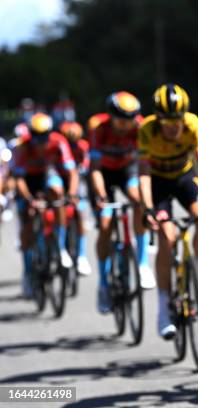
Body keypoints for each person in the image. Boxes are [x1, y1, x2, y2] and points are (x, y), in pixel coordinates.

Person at [139, 83, 198, 339]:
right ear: (158, 118)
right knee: (166, 236)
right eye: (167, 120)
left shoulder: (192, 125)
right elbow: (144, 174)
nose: (172, 126)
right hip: (158, 183)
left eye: (176, 120)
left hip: (183, 177)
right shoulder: (147, 130)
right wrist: (147, 208)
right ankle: (162, 305)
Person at [89, 91, 154, 314]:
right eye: (120, 120)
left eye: (129, 120)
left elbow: (146, 163)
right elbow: (95, 170)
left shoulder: (140, 126)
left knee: (138, 200)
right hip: (103, 174)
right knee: (106, 224)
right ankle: (103, 283)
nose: (125, 125)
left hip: (127, 169)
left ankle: (143, 262)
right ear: (111, 116)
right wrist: (100, 196)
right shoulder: (99, 129)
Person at [12, 112, 78, 297]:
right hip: (27, 181)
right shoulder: (22, 146)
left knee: (58, 193)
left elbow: (72, 171)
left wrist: (71, 194)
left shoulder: (58, 141)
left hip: (47, 175)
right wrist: (29, 200)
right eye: (37, 138)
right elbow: (19, 180)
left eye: (44, 138)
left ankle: (60, 247)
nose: (41, 143)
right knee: (27, 220)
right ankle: (27, 272)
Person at [59, 121, 92, 276]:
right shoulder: (58, 146)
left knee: (80, 212)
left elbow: (86, 164)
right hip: (61, 179)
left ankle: (82, 256)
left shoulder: (83, 146)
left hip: (77, 180)